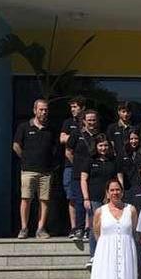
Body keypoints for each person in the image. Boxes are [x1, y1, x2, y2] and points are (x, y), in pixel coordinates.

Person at [12, 98, 54, 239]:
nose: (44, 112)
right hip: (28, 170)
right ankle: (24, 228)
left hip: (46, 171)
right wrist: (25, 158)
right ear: (35, 110)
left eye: (46, 110)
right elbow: (16, 145)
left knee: (44, 200)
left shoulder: (51, 128)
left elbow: (54, 148)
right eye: (41, 109)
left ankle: (40, 229)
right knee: (26, 199)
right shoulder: (24, 127)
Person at [80, 135, 123, 265]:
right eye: (100, 145)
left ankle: (111, 255)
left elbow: (119, 179)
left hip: (111, 199)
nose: (103, 148)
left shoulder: (114, 161)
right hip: (94, 198)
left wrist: (121, 194)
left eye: (105, 145)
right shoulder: (89, 160)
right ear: (96, 146)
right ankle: (94, 255)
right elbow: (83, 180)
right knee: (95, 227)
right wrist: (86, 198)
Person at [65, 109, 101, 242]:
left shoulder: (98, 135)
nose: (92, 122)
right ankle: (79, 228)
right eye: (89, 120)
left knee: (91, 202)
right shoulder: (76, 133)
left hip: (94, 174)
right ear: (84, 121)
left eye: (94, 119)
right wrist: (77, 164)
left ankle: (88, 228)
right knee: (79, 201)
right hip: (78, 173)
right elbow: (68, 151)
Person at [59, 96, 85, 240]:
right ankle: (74, 227)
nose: (73, 110)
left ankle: (86, 228)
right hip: (71, 166)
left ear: (83, 108)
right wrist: (76, 136)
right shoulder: (68, 122)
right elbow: (62, 139)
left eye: (75, 107)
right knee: (72, 197)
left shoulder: (88, 122)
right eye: (72, 107)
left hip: (86, 168)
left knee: (86, 197)